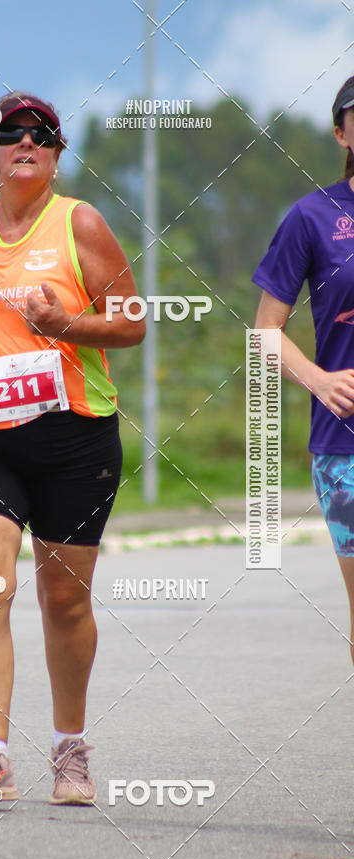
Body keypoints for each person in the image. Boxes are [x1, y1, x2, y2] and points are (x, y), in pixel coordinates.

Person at [0, 91, 144, 804]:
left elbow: (132, 321)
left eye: (41, 134)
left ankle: (70, 751)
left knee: (63, 600)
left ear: (56, 154)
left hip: (74, 437)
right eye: (10, 134)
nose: (25, 143)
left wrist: (66, 325)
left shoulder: (82, 224)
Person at [253, 75, 354, 666]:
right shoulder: (312, 217)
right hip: (344, 446)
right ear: (341, 131)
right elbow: (265, 332)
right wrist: (318, 380)